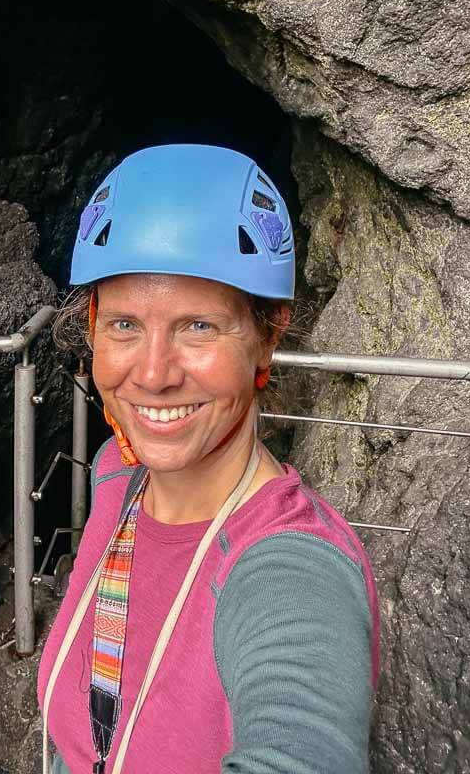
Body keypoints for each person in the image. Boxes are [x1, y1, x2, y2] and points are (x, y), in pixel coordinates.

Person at [37, 144, 379, 774]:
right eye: (123, 326)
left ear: (268, 333)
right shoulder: (118, 471)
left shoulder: (292, 571)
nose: (153, 373)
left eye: (198, 326)